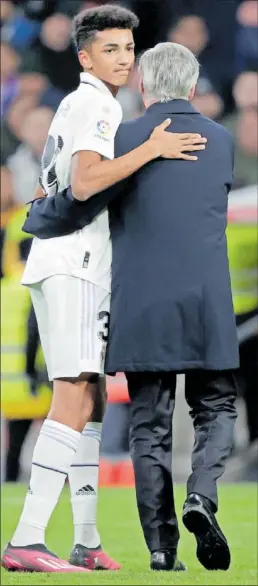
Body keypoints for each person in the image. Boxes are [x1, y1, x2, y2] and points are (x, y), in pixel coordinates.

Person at [1, 5, 207, 574]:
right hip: (75, 262)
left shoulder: (92, 103)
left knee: (88, 399)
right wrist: (151, 150)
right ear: (85, 57)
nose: (122, 58)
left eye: (128, 49)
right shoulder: (93, 103)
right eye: (110, 49)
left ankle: (86, 540)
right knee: (73, 394)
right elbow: (88, 179)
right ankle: (26, 538)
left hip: (68, 259)